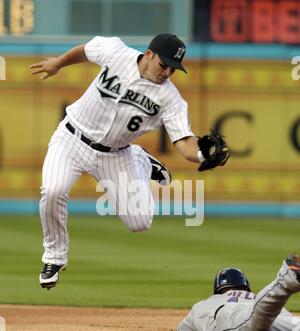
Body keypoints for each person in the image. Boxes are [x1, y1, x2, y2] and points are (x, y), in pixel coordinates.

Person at [30, 33, 229, 290]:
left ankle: (140, 159)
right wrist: (58, 62)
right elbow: (85, 50)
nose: (168, 72)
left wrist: (201, 154)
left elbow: (184, 142)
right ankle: (54, 258)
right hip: (71, 138)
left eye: (173, 68)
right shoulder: (115, 51)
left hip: (116, 154)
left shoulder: (171, 100)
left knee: (139, 222)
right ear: (149, 54)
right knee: (53, 190)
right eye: (164, 64)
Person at [151, 253, 300, 331]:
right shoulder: (253, 296)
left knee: (253, 325)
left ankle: (287, 278)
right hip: (278, 321)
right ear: (246, 287)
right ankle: (288, 279)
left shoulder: (204, 305)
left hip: (235, 323)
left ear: (216, 290)